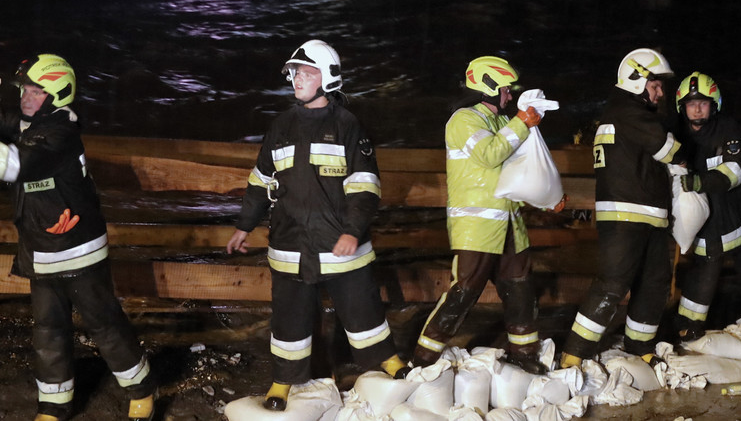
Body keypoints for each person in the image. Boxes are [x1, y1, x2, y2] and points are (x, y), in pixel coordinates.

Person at [0, 54, 155, 421]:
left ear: (57, 95)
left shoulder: (60, 134)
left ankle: (142, 391)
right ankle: (54, 404)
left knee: (105, 325)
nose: (25, 95)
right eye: (24, 88)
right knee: (48, 332)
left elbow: (14, 166)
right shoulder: (30, 124)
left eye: (36, 90)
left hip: (79, 252)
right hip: (40, 252)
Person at [226, 39, 408, 411]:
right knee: (289, 316)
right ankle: (283, 381)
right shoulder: (280, 126)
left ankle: (387, 361)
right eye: (295, 73)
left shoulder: (348, 126)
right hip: (290, 242)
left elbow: (365, 186)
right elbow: (261, 180)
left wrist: (352, 230)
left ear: (327, 79)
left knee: (362, 307)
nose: (297, 80)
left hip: (340, 243)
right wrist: (244, 225)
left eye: (306, 74)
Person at [410, 55, 549, 375]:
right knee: (464, 293)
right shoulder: (464, 120)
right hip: (477, 227)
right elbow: (489, 156)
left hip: (511, 226)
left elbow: (521, 170)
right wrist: (522, 123)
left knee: (520, 290)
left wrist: (546, 199)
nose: (510, 96)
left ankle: (524, 354)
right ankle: (422, 360)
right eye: (506, 90)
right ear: (488, 87)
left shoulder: (502, 122)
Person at [559, 48, 679, 368]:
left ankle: (640, 345)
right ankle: (574, 352)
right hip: (627, 215)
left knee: (653, 282)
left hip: (646, 214)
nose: (660, 92)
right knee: (613, 284)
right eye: (655, 85)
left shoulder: (625, 113)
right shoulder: (629, 112)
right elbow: (670, 150)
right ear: (636, 79)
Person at [672, 72, 741, 339]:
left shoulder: (730, 130)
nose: (697, 108)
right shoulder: (676, 136)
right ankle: (686, 334)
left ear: (714, 104)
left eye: (703, 103)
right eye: (691, 103)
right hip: (709, 233)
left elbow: (735, 172)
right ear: (682, 107)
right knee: (698, 293)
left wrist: (698, 182)